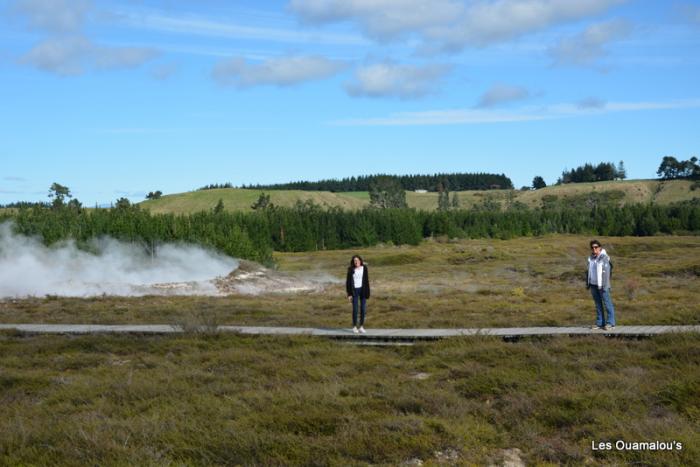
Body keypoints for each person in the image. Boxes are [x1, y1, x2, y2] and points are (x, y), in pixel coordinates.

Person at [587, 239, 616, 330]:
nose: (594, 249)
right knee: (598, 304)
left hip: (603, 285)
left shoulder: (604, 258)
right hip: (593, 284)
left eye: (596, 247)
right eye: (592, 248)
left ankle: (611, 323)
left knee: (607, 303)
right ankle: (600, 323)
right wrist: (588, 283)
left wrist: (604, 285)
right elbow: (589, 272)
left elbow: (606, 272)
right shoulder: (591, 258)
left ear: (600, 248)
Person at [346, 255, 370, 334]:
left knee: (363, 309)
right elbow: (348, 282)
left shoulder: (364, 268)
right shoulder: (350, 269)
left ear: (360, 260)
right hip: (354, 291)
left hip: (362, 290)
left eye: (357, 260)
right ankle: (354, 326)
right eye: (354, 261)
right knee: (355, 309)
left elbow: (366, 281)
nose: (356, 262)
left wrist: (367, 292)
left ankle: (361, 326)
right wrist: (349, 294)